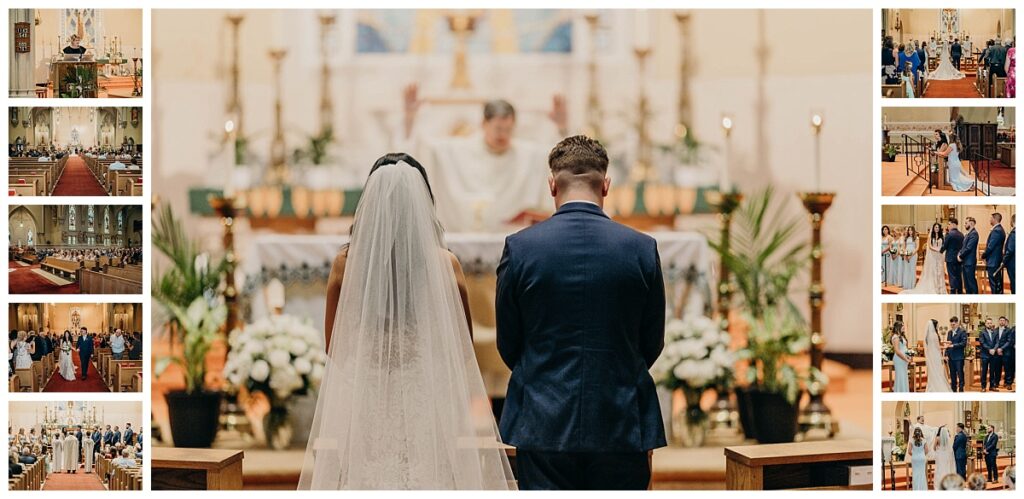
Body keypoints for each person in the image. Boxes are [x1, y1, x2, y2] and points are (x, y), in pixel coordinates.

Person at [298, 153, 513, 490]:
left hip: (367, 393)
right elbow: (462, 347)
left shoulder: (346, 264)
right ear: (423, 204)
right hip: (423, 394)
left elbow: (334, 347)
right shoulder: (445, 264)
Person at [495, 136, 666, 490]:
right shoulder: (641, 249)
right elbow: (651, 340)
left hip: (543, 418)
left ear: (552, 186)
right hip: (619, 416)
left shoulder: (521, 248)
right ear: (605, 186)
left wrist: (543, 376)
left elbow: (509, 341)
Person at [402, 85, 568, 232]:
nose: (503, 135)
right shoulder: (459, 150)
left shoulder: (526, 155)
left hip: (511, 238)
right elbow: (421, 150)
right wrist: (409, 119)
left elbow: (561, 158)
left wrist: (561, 128)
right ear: (483, 123)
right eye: (498, 128)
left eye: (508, 129)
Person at [905, 223, 946, 294]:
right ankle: (934, 287)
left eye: (938, 227)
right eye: (935, 227)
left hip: (939, 256)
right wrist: (937, 250)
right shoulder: (931, 236)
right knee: (932, 271)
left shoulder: (942, 236)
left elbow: (943, 245)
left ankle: (940, 288)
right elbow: (930, 246)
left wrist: (941, 250)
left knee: (939, 272)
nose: (937, 229)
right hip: (933, 256)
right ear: (933, 228)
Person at [924, 319, 951, 392]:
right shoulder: (934, 335)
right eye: (937, 325)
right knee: (938, 371)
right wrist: (946, 347)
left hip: (931, 355)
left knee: (933, 371)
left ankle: (932, 385)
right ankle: (938, 386)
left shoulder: (928, 335)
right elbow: (937, 346)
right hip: (936, 355)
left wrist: (945, 342)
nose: (938, 326)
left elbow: (933, 344)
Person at [983, 213, 1007, 294]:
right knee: (996, 284)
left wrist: (984, 255)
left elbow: (990, 246)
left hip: (993, 261)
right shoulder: (999, 229)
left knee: (994, 285)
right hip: (995, 260)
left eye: (991, 218)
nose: (990, 220)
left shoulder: (997, 230)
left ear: (994, 219)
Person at [940, 218, 964, 294]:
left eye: (949, 224)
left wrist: (940, 251)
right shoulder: (961, 234)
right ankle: (960, 291)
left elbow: (945, 245)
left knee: (952, 276)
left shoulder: (949, 234)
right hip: (959, 258)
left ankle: (953, 291)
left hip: (950, 258)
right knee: (958, 275)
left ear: (954, 224)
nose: (948, 226)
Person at [958, 217, 980, 294]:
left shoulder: (974, 234)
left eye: (966, 223)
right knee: (967, 285)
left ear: (971, 223)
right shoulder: (968, 234)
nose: (964, 224)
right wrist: (959, 253)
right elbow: (963, 246)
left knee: (971, 283)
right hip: (965, 262)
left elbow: (968, 248)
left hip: (969, 262)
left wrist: (960, 256)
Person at [946, 316, 967, 392]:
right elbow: (948, 344)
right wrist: (946, 354)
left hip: (959, 357)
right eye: (951, 324)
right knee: (952, 374)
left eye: (954, 324)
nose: (952, 325)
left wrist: (954, 345)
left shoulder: (962, 332)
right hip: (951, 357)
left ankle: (961, 388)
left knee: (960, 373)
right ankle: (953, 389)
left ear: (957, 323)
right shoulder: (949, 332)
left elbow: (964, 343)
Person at [980, 318, 1000, 392]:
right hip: (985, 355)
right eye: (988, 323)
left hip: (993, 355)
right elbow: (982, 343)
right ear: (985, 324)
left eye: (990, 323)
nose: (989, 324)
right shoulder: (982, 332)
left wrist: (994, 349)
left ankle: (992, 386)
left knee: (992, 371)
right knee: (984, 371)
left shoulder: (995, 332)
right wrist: (989, 349)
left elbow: (997, 342)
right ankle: (983, 387)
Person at [890, 321, 911, 392]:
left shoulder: (902, 336)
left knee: (904, 376)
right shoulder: (895, 337)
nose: (904, 327)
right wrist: (905, 358)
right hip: (899, 359)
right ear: (898, 327)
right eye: (902, 326)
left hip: (903, 359)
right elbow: (897, 351)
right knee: (900, 376)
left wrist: (909, 355)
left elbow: (904, 348)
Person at [995, 316, 1013, 390]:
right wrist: (997, 349)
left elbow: (1009, 341)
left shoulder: (1008, 330)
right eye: (1001, 320)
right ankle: (996, 382)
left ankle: (1008, 383)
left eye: (1003, 320)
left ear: (1005, 322)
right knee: (997, 368)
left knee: (1007, 368)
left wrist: (1001, 349)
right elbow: (994, 341)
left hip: (1006, 352)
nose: (1002, 321)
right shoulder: (995, 330)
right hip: (997, 353)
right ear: (999, 321)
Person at [1004, 215, 1016, 294]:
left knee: (1014, 282)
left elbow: (1010, 250)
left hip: (1012, 262)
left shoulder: (1013, 233)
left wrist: (1004, 260)